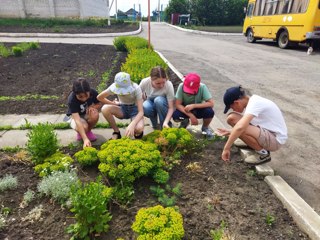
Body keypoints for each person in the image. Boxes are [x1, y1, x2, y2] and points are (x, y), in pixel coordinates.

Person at [217, 86, 288, 165]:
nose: (233, 109)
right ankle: (251, 143)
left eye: (232, 107)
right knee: (232, 118)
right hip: (267, 133)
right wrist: (230, 131)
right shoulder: (251, 101)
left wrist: (226, 148)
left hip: (275, 140)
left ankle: (263, 154)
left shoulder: (255, 103)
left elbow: (240, 127)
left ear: (236, 102)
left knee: (241, 127)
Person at [97, 72, 144, 139]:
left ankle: (137, 132)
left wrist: (132, 124)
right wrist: (113, 104)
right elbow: (99, 97)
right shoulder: (114, 87)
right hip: (122, 108)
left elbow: (141, 112)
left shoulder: (136, 88)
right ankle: (116, 132)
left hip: (135, 110)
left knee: (139, 128)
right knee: (105, 108)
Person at [172, 72, 215, 138]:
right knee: (176, 116)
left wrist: (194, 105)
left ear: (198, 86)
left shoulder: (202, 87)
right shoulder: (181, 86)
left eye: (191, 91)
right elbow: (178, 104)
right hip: (185, 108)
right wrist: (191, 116)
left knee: (210, 112)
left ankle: (205, 127)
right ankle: (184, 122)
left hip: (197, 108)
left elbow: (211, 103)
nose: (189, 93)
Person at [66, 78, 101, 148]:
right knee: (84, 127)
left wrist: (93, 107)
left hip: (85, 114)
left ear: (89, 91)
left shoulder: (93, 92)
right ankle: (82, 133)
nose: (84, 99)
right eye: (80, 97)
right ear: (75, 93)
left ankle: (87, 132)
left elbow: (99, 103)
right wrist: (85, 139)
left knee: (95, 114)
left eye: (86, 96)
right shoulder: (71, 100)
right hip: (74, 117)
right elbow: (77, 120)